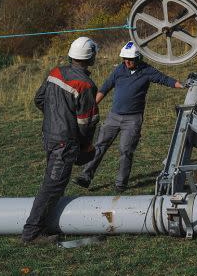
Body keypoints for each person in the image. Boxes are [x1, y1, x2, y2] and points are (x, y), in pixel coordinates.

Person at [75, 41, 183, 193]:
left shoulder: (147, 71)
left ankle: (121, 183)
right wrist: (92, 106)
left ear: (138, 59)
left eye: (130, 59)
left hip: (132, 119)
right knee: (99, 146)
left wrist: (183, 85)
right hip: (113, 116)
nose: (127, 62)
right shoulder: (119, 70)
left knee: (125, 150)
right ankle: (86, 177)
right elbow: (105, 87)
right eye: (124, 59)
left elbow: (165, 80)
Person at [22, 36, 100, 245]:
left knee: (54, 182)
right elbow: (87, 122)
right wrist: (85, 147)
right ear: (91, 57)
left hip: (48, 136)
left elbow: (39, 99)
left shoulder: (55, 73)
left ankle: (44, 224)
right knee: (53, 185)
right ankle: (32, 234)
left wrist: (55, 117)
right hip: (65, 143)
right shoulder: (86, 84)